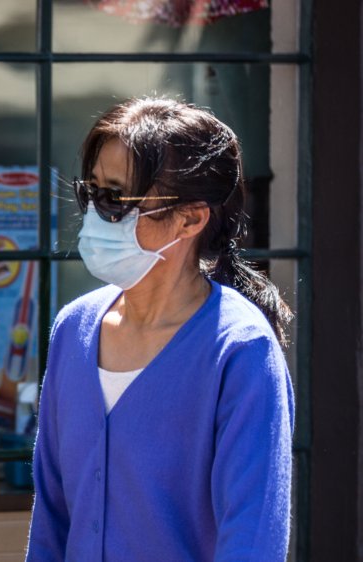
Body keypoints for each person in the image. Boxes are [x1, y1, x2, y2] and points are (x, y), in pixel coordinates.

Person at [26, 97, 294, 561]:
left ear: (190, 218)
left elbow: (252, 540)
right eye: (89, 193)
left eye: (115, 198)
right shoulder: (74, 330)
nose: (93, 213)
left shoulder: (240, 350)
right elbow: (51, 518)